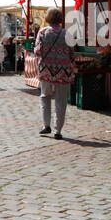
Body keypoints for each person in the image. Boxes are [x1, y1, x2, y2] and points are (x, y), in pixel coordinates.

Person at [34, 7, 76, 140]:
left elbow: (37, 52)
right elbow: (72, 54)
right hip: (63, 71)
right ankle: (58, 130)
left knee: (45, 96)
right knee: (61, 100)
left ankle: (46, 125)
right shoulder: (67, 33)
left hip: (46, 70)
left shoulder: (42, 32)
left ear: (48, 18)